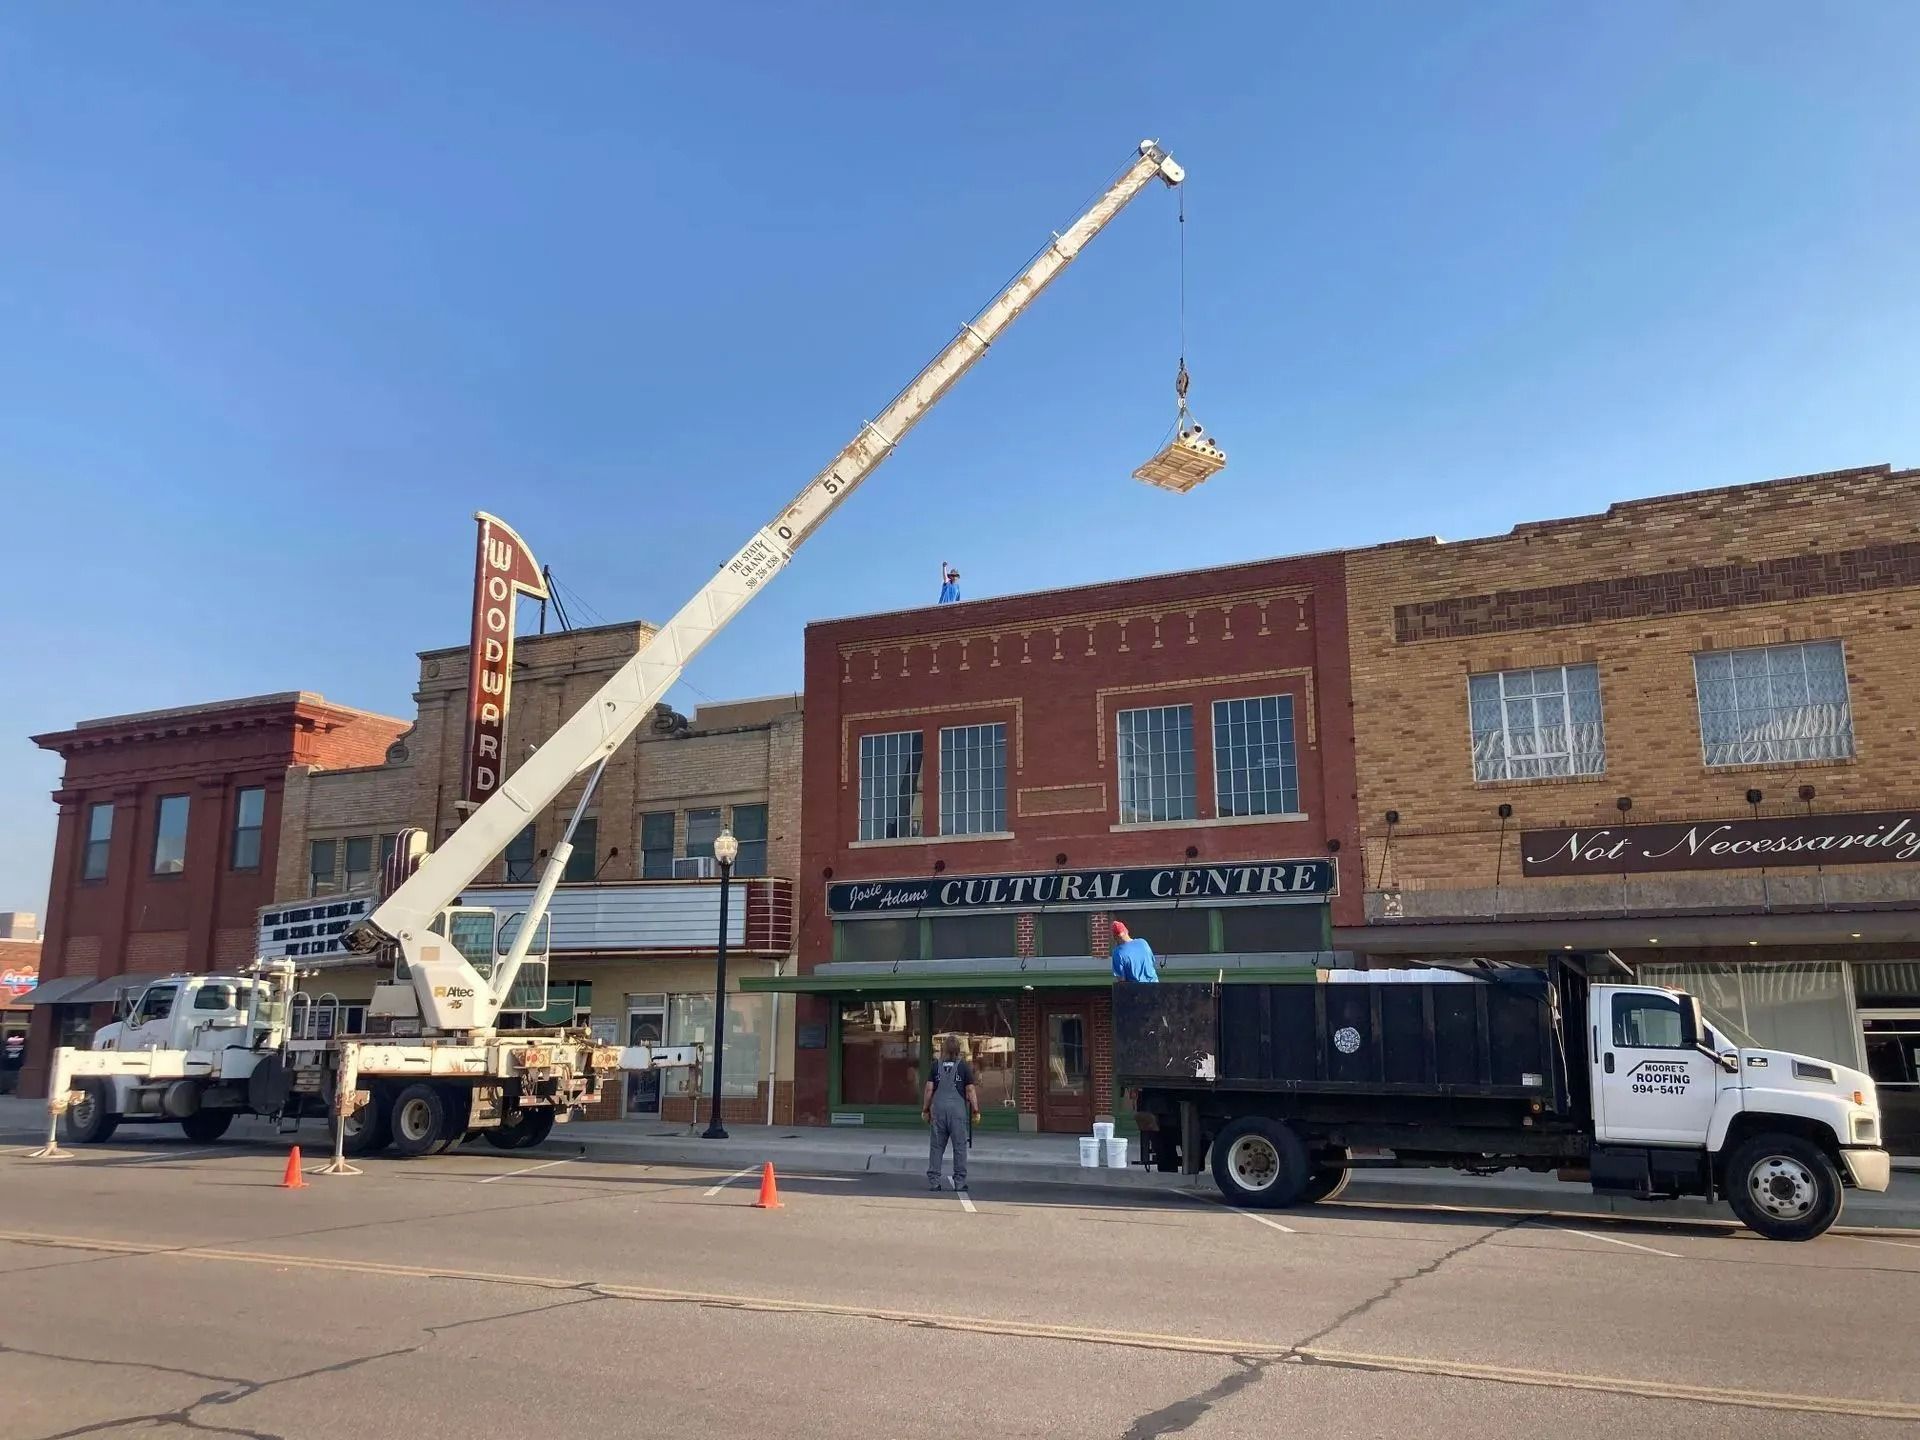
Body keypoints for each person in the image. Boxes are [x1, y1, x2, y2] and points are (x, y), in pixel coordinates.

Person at [922, 1034, 980, 1191]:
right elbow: (970, 1090)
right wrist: (975, 1110)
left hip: (938, 1112)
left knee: (936, 1147)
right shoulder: (963, 1067)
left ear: (944, 1049)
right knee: (959, 1147)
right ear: (958, 1049)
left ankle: (934, 1181)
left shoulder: (936, 1066)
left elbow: (929, 1089)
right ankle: (959, 1182)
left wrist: (925, 1109)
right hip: (958, 1112)